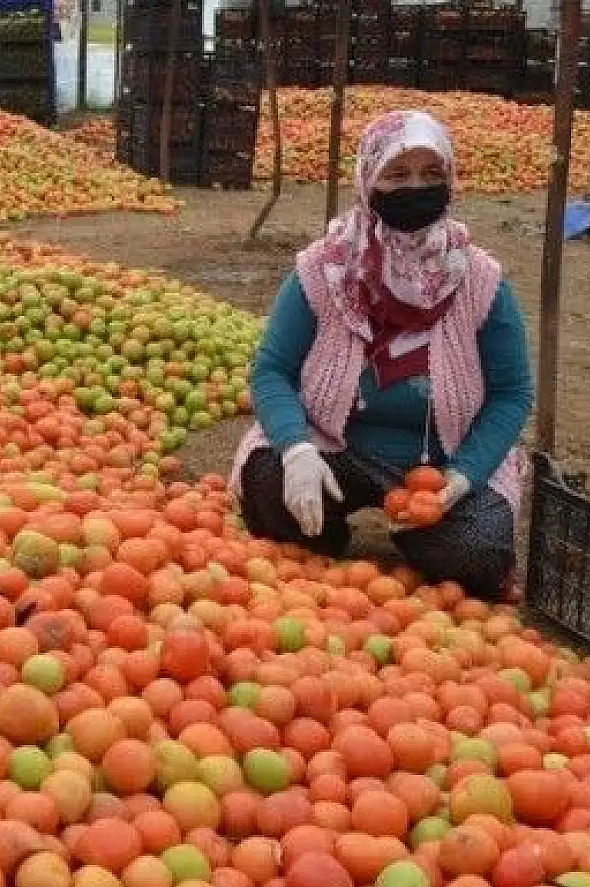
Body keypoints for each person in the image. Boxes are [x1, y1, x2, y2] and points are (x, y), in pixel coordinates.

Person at [227, 110, 534, 599]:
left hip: (439, 461)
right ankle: (325, 534)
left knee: (475, 555)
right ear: (367, 181)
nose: (416, 187)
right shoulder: (324, 270)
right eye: (397, 174)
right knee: (270, 489)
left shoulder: (479, 280)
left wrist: (463, 477)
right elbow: (272, 370)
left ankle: (425, 539)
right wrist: (297, 448)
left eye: (431, 174)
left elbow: (512, 393)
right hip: (337, 447)